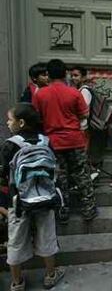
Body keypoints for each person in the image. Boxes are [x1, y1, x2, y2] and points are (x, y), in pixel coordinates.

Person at [0, 103, 64, 291]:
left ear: (20, 122)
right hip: (46, 198)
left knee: (16, 239)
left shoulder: (10, 144)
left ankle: (17, 282)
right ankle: (51, 275)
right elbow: (55, 168)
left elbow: (4, 175)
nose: (7, 123)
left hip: (18, 201)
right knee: (47, 234)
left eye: (10, 120)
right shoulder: (46, 141)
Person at [32, 59, 97, 224]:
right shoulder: (74, 93)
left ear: (48, 74)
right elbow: (84, 114)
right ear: (65, 73)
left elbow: (36, 117)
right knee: (82, 175)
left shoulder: (40, 94)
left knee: (60, 178)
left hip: (53, 143)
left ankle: (63, 211)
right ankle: (88, 210)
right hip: (75, 140)